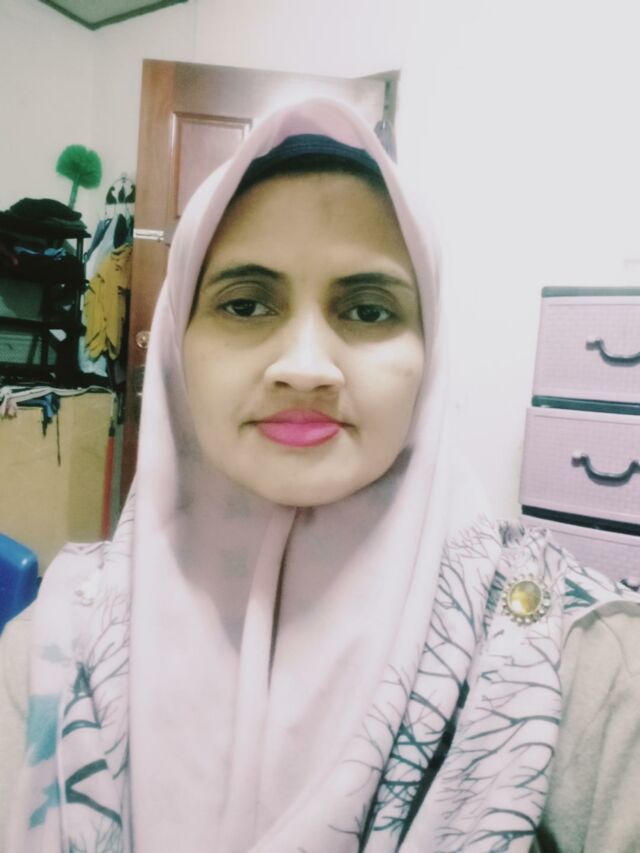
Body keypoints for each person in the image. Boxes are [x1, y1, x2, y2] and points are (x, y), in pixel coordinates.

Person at [2, 99, 639, 853]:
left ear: (430, 353)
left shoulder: (581, 664)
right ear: (177, 342)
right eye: (245, 304)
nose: (305, 367)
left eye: (368, 311)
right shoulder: (52, 650)